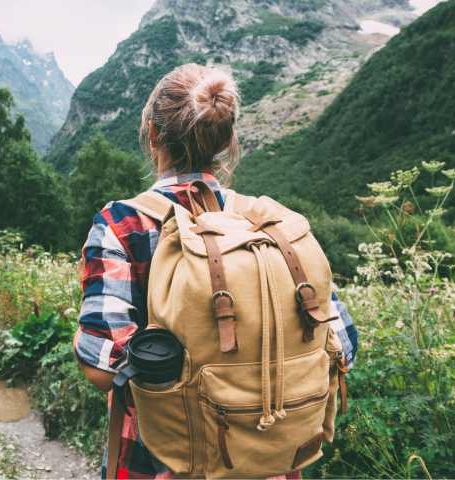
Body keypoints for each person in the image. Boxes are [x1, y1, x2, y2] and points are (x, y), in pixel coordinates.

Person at [72, 63, 358, 479]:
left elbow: (101, 367)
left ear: (153, 135)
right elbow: (342, 344)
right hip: (271, 464)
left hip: (159, 463)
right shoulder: (269, 226)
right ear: (228, 141)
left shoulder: (123, 225)